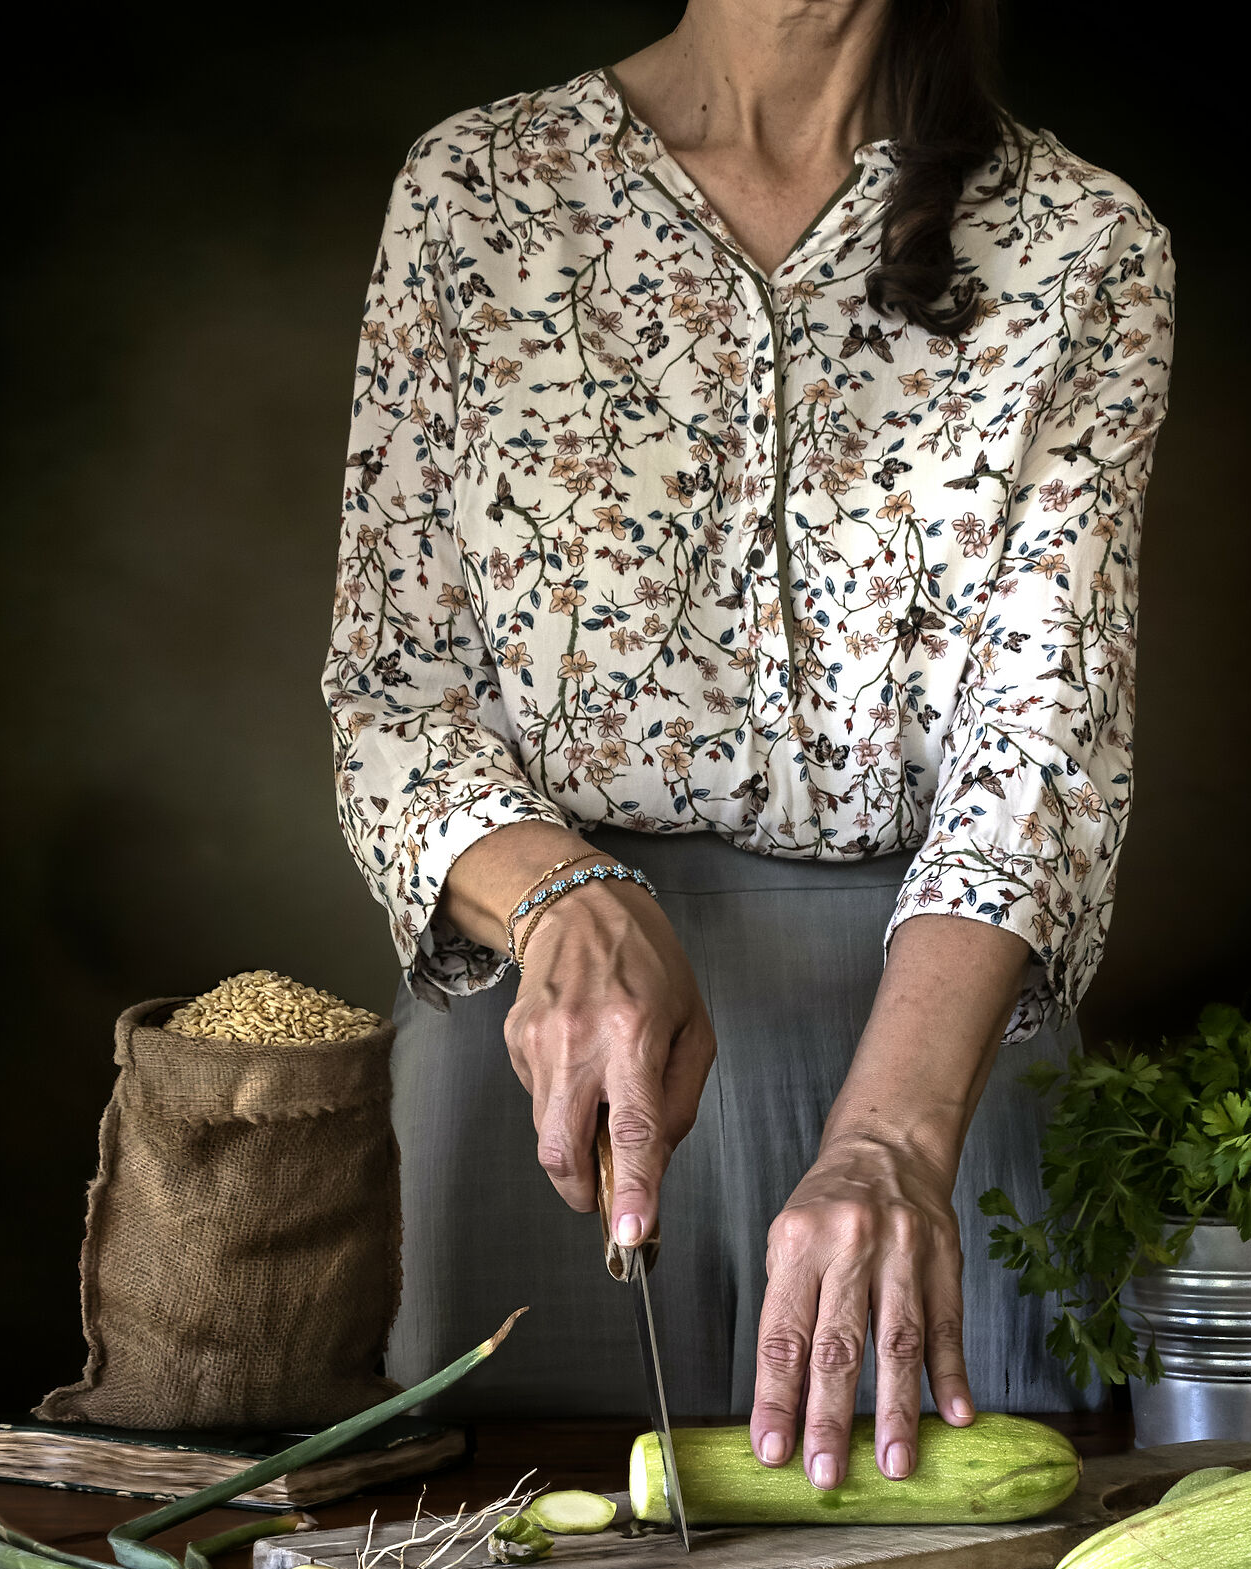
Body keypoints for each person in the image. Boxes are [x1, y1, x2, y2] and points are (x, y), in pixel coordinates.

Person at [323, 0, 1173, 1486]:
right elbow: (393, 684)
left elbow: (1044, 736)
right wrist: (558, 899)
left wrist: (893, 1145)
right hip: (547, 1048)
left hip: (934, 1051)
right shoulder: (481, 188)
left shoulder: (1081, 242)